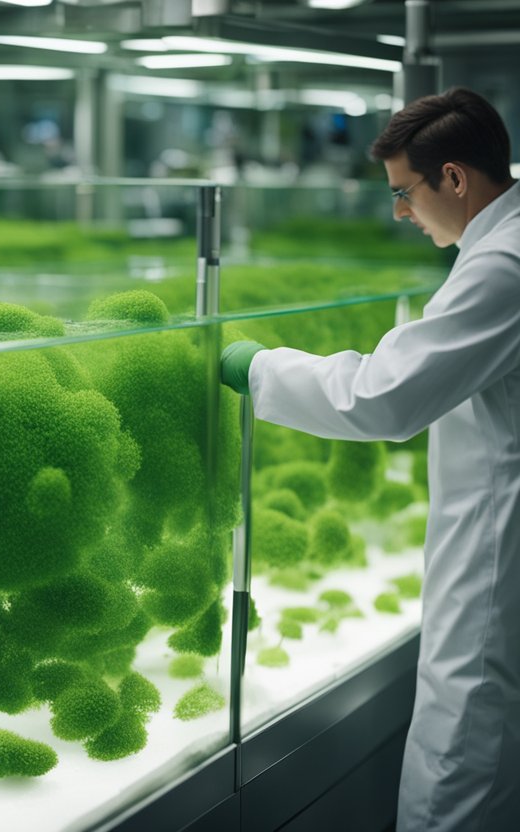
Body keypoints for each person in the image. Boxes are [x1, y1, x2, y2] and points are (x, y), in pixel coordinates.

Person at [221, 87, 520, 831]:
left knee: (462, 756)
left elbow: (382, 399)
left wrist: (257, 368)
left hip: (496, 549)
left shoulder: (503, 267)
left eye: (403, 193)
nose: (399, 213)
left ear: (454, 178)